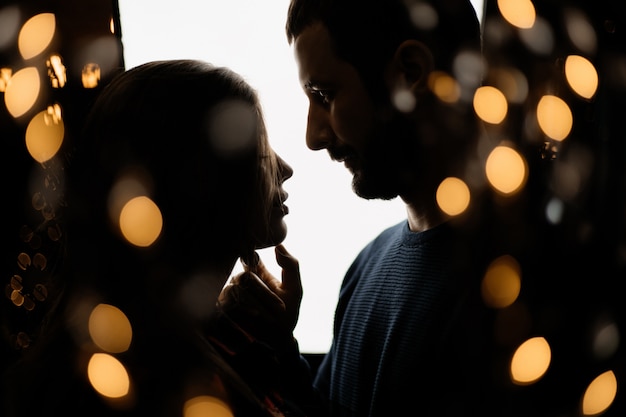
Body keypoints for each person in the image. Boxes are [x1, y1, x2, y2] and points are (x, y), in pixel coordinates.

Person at [216, 1, 510, 416]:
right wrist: (279, 349)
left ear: (411, 73)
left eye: (324, 94)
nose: (313, 137)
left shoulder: (511, 283)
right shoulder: (369, 265)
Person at [0, 59, 303, 417]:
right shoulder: (166, 381)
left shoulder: (133, 343)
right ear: (202, 182)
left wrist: (275, 344)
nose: (285, 169)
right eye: (260, 153)